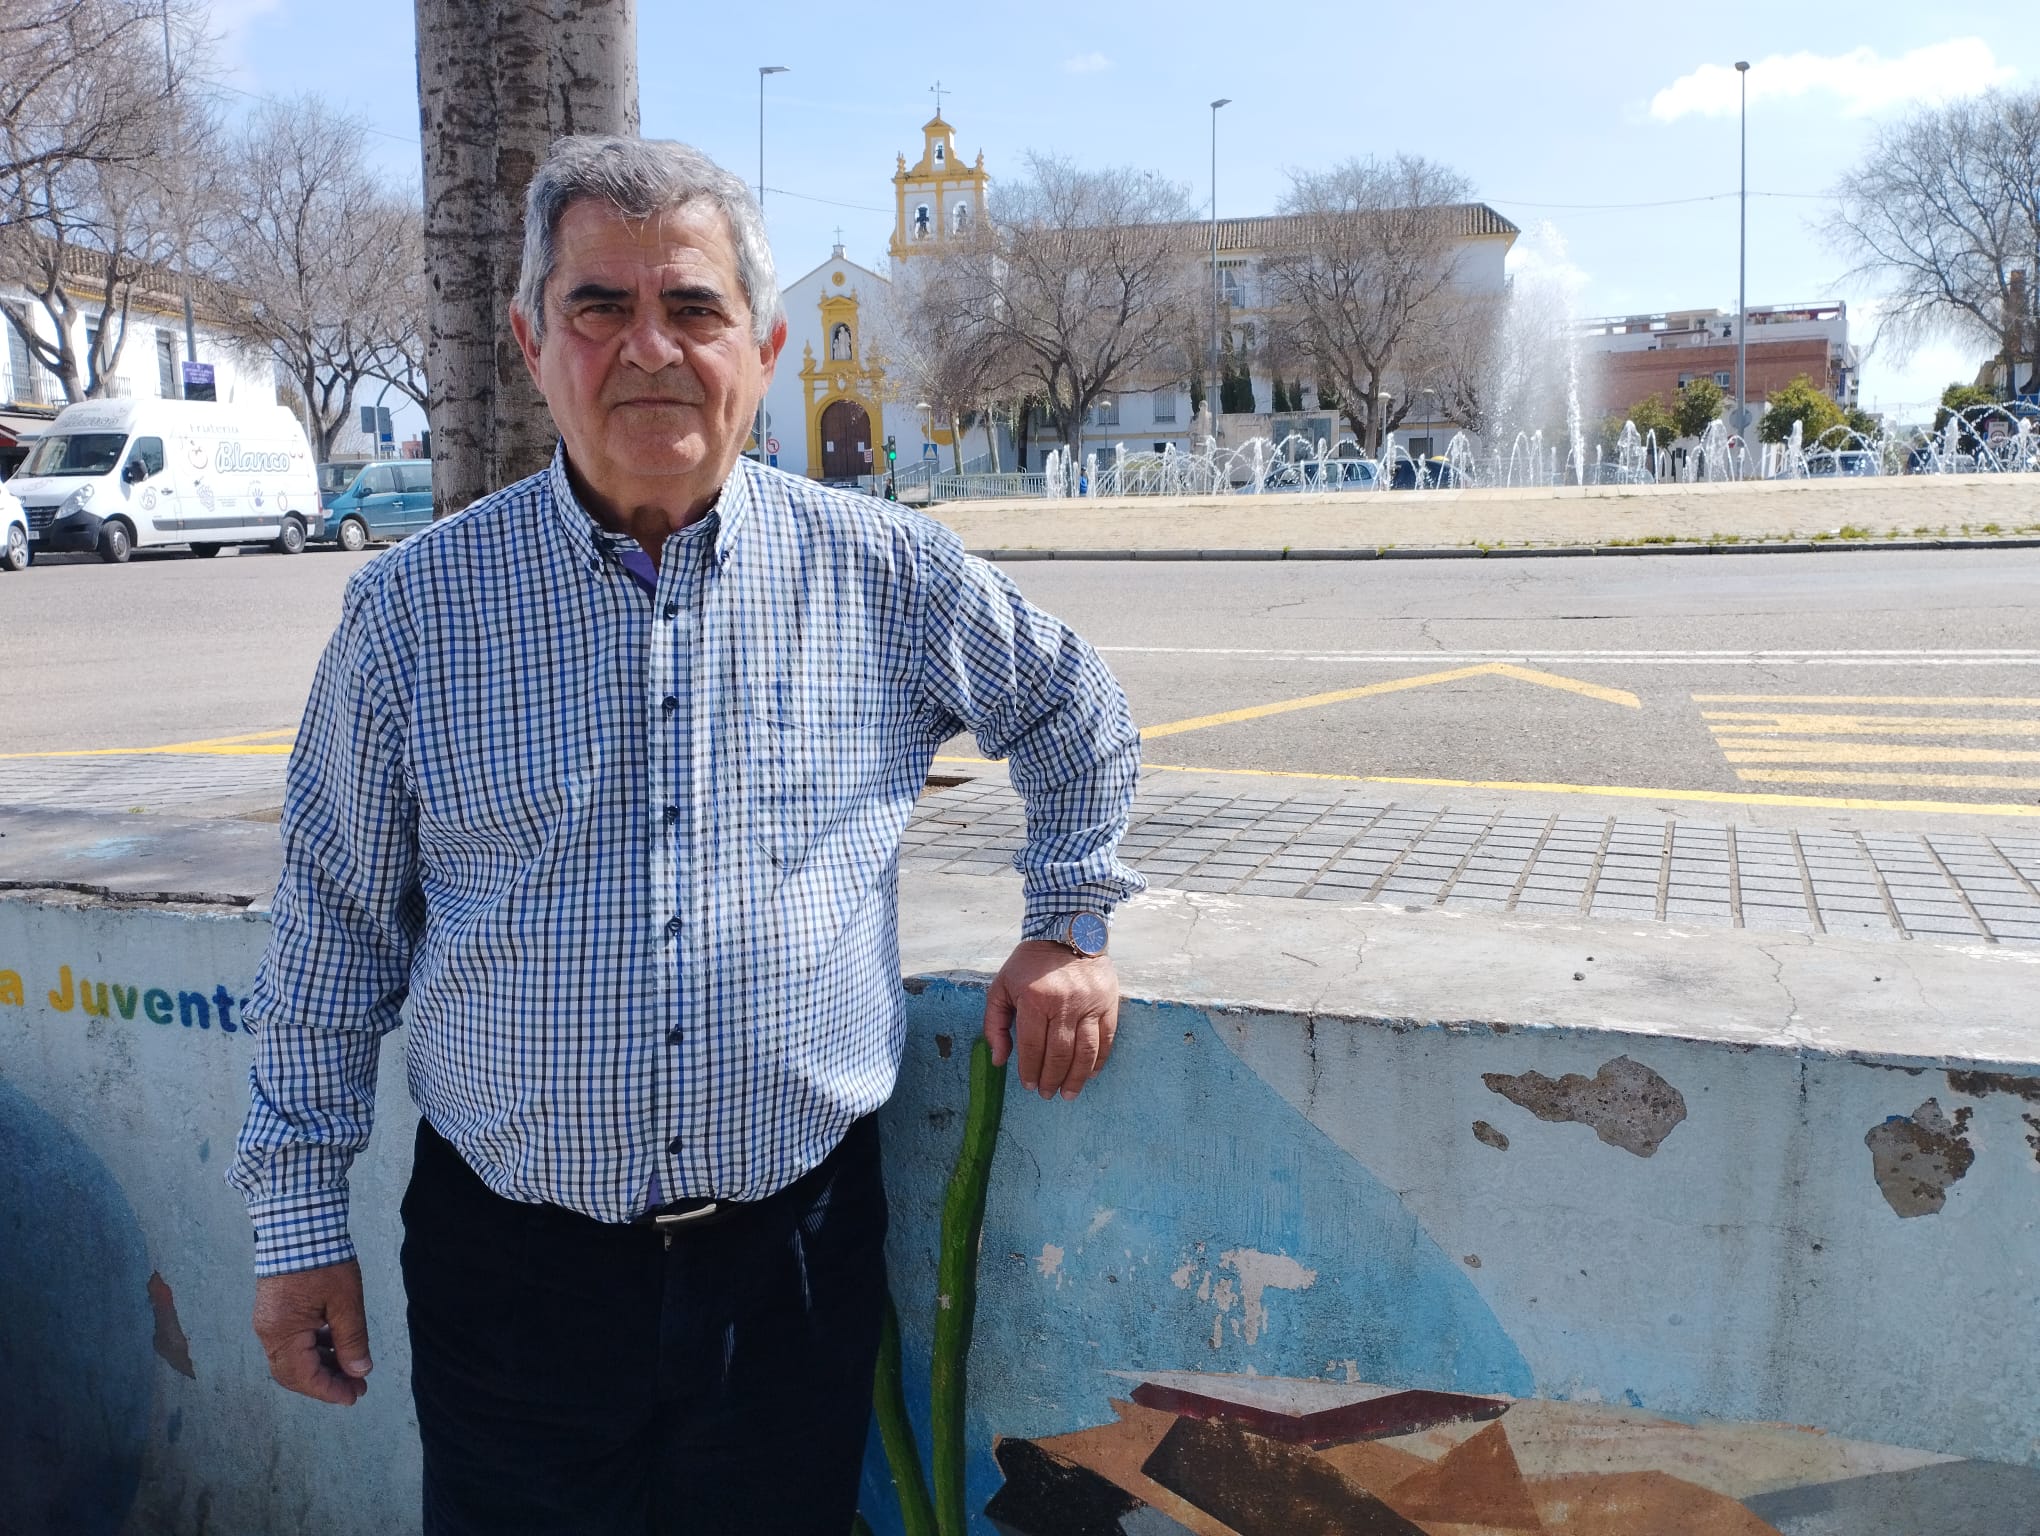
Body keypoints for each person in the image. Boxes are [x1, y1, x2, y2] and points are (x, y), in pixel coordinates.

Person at [229, 135, 1143, 1535]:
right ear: (531, 342)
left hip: (791, 1262)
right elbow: (332, 929)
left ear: (764, 348)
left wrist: (1068, 922)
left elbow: (1077, 712)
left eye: (693, 308)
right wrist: (297, 1231)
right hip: (511, 1275)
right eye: (599, 305)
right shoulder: (412, 615)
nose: (648, 347)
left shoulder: (885, 573)